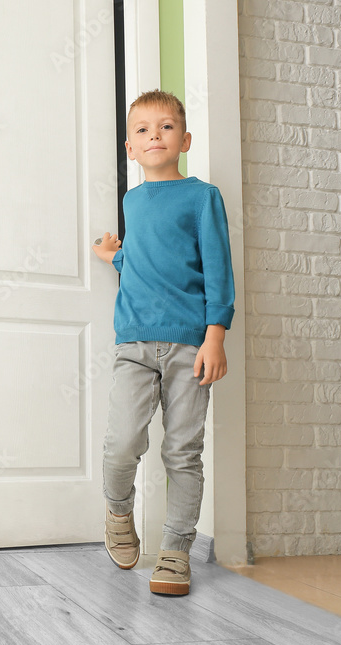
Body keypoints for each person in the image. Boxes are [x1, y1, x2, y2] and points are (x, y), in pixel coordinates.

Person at [91, 89, 235, 596]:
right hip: (133, 343)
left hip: (188, 348)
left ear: (185, 139)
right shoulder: (132, 200)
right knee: (121, 444)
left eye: (167, 127)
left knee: (182, 452)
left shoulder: (202, 197)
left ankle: (176, 552)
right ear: (130, 147)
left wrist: (214, 336)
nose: (155, 135)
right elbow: (146, 265)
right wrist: (114, 258)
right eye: (144, 129)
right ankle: (118, 511)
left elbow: (217, 269)